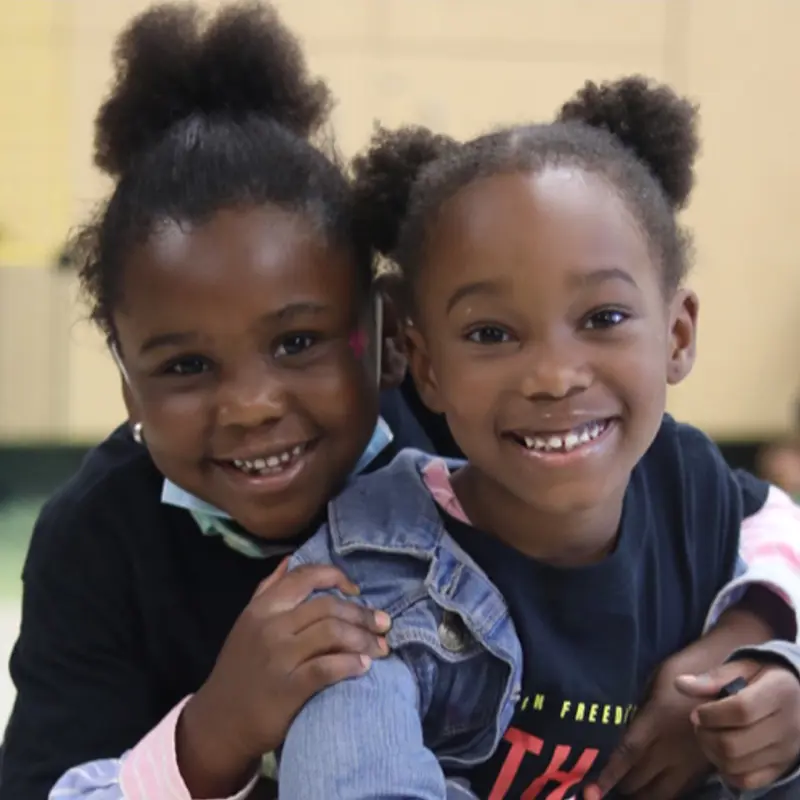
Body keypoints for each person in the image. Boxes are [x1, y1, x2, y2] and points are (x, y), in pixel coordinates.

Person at [4, 10, 799, 799]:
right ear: (125, 380)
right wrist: (214, 732)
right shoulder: (99, 537)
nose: (249, 405)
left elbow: (756, 519)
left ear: (392, 341)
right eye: (184, 364)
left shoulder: (482, 429)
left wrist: (743, 647)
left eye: (297, 343)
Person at [276, 77, 800, 799]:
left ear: (677, 335)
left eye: (603, 318)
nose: (554, 376)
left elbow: (781, 530)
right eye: (492, 333)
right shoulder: (362, 576)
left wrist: (762, 665)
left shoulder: (688, 484)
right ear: (424, 365)